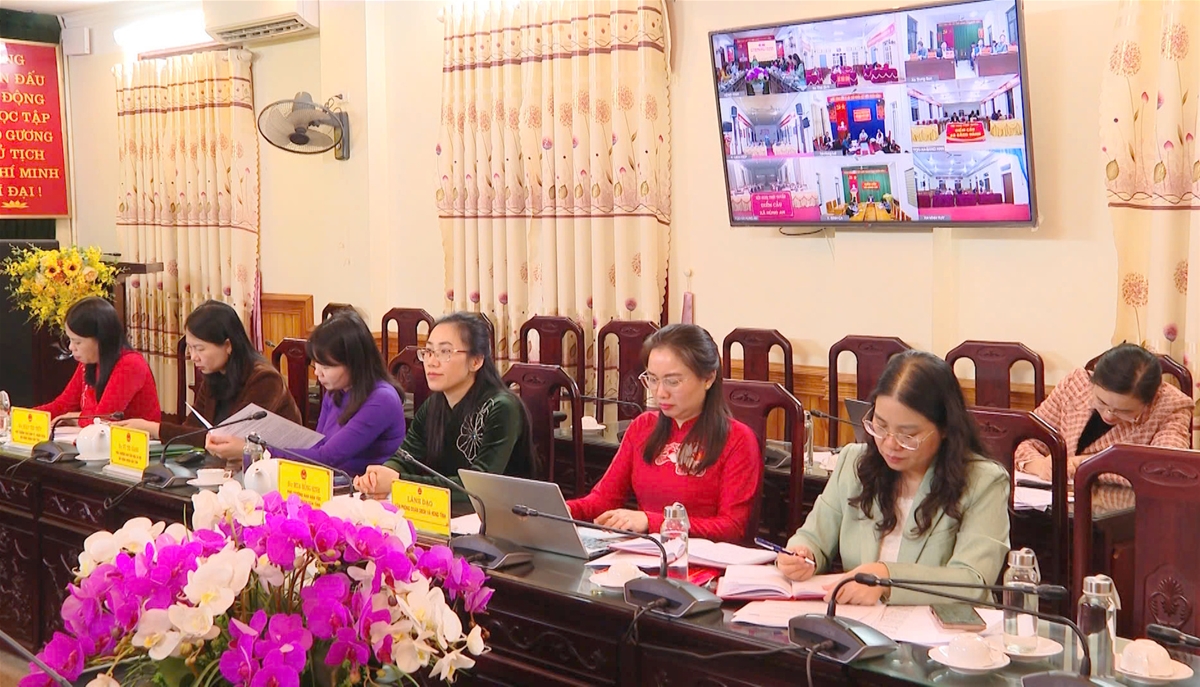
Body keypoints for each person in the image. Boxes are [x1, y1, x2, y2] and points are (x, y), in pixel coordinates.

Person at [778, 351, 1010, 605]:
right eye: (880, 426)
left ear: (945, 428)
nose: (889, 444)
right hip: (857, 619)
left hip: (941, 627)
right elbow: (812, 538)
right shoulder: (853, 463)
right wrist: (802, 553)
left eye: (907, 435)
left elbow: (973, 581)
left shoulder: (984, 481)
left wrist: (886, 578)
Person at [565, 324, 762, 543]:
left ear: (708, 378)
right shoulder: (643, 427)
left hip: (700, 558)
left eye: (673, 381)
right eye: (652, 379)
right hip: (645, 553)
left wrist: (653, 521)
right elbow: (603, 500)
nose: (660, 392)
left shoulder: (737, 439)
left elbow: (732, 528)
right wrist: (562, 509)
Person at [354, 312, 535, 501]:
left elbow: (476, 490)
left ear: (476, 361)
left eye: (445, 352)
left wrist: (398, 482)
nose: (432, 362)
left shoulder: (502, 408)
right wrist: (379, 478)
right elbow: (405, 457)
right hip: (445, 513)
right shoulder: (434, 404)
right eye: (429, 352)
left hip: (500, 513)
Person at [207, 310, 406, 477]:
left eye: (326, 366)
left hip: (364, 493)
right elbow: (316, 445)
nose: (317, 373)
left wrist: (253, 450)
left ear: (354, 363)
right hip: (331, 482)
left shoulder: (382, 400)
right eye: (316, 363)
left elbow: (328, 458)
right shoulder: (336, 391)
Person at [117, 300, 301, 448]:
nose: (193, 357)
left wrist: (153, 428)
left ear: (227, 345)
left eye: (200, 349)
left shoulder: (265, 379)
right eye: (190, 348)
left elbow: (230, 438)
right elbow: (192, 429)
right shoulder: (214, 374)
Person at [1015, 343, 1192, 481]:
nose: (1108, 415)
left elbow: (1166, 468)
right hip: (1055, 503)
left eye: (1124, 411)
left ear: (1150, 401)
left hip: (1126, 510)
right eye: (1101, 402)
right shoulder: (1076, 385)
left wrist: (1088, 464)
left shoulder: (1171, 406)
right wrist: (1038, 466)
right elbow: (1023, 438)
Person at [37, 297, 161, 426]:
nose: (71, 347)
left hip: (131, 438)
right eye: (70, 340)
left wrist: (77, 418)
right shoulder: (89, 361)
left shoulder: (130, 364)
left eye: (77, 342)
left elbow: (102, 420)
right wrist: (24, 417)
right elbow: (63, 405)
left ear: (101, 339)